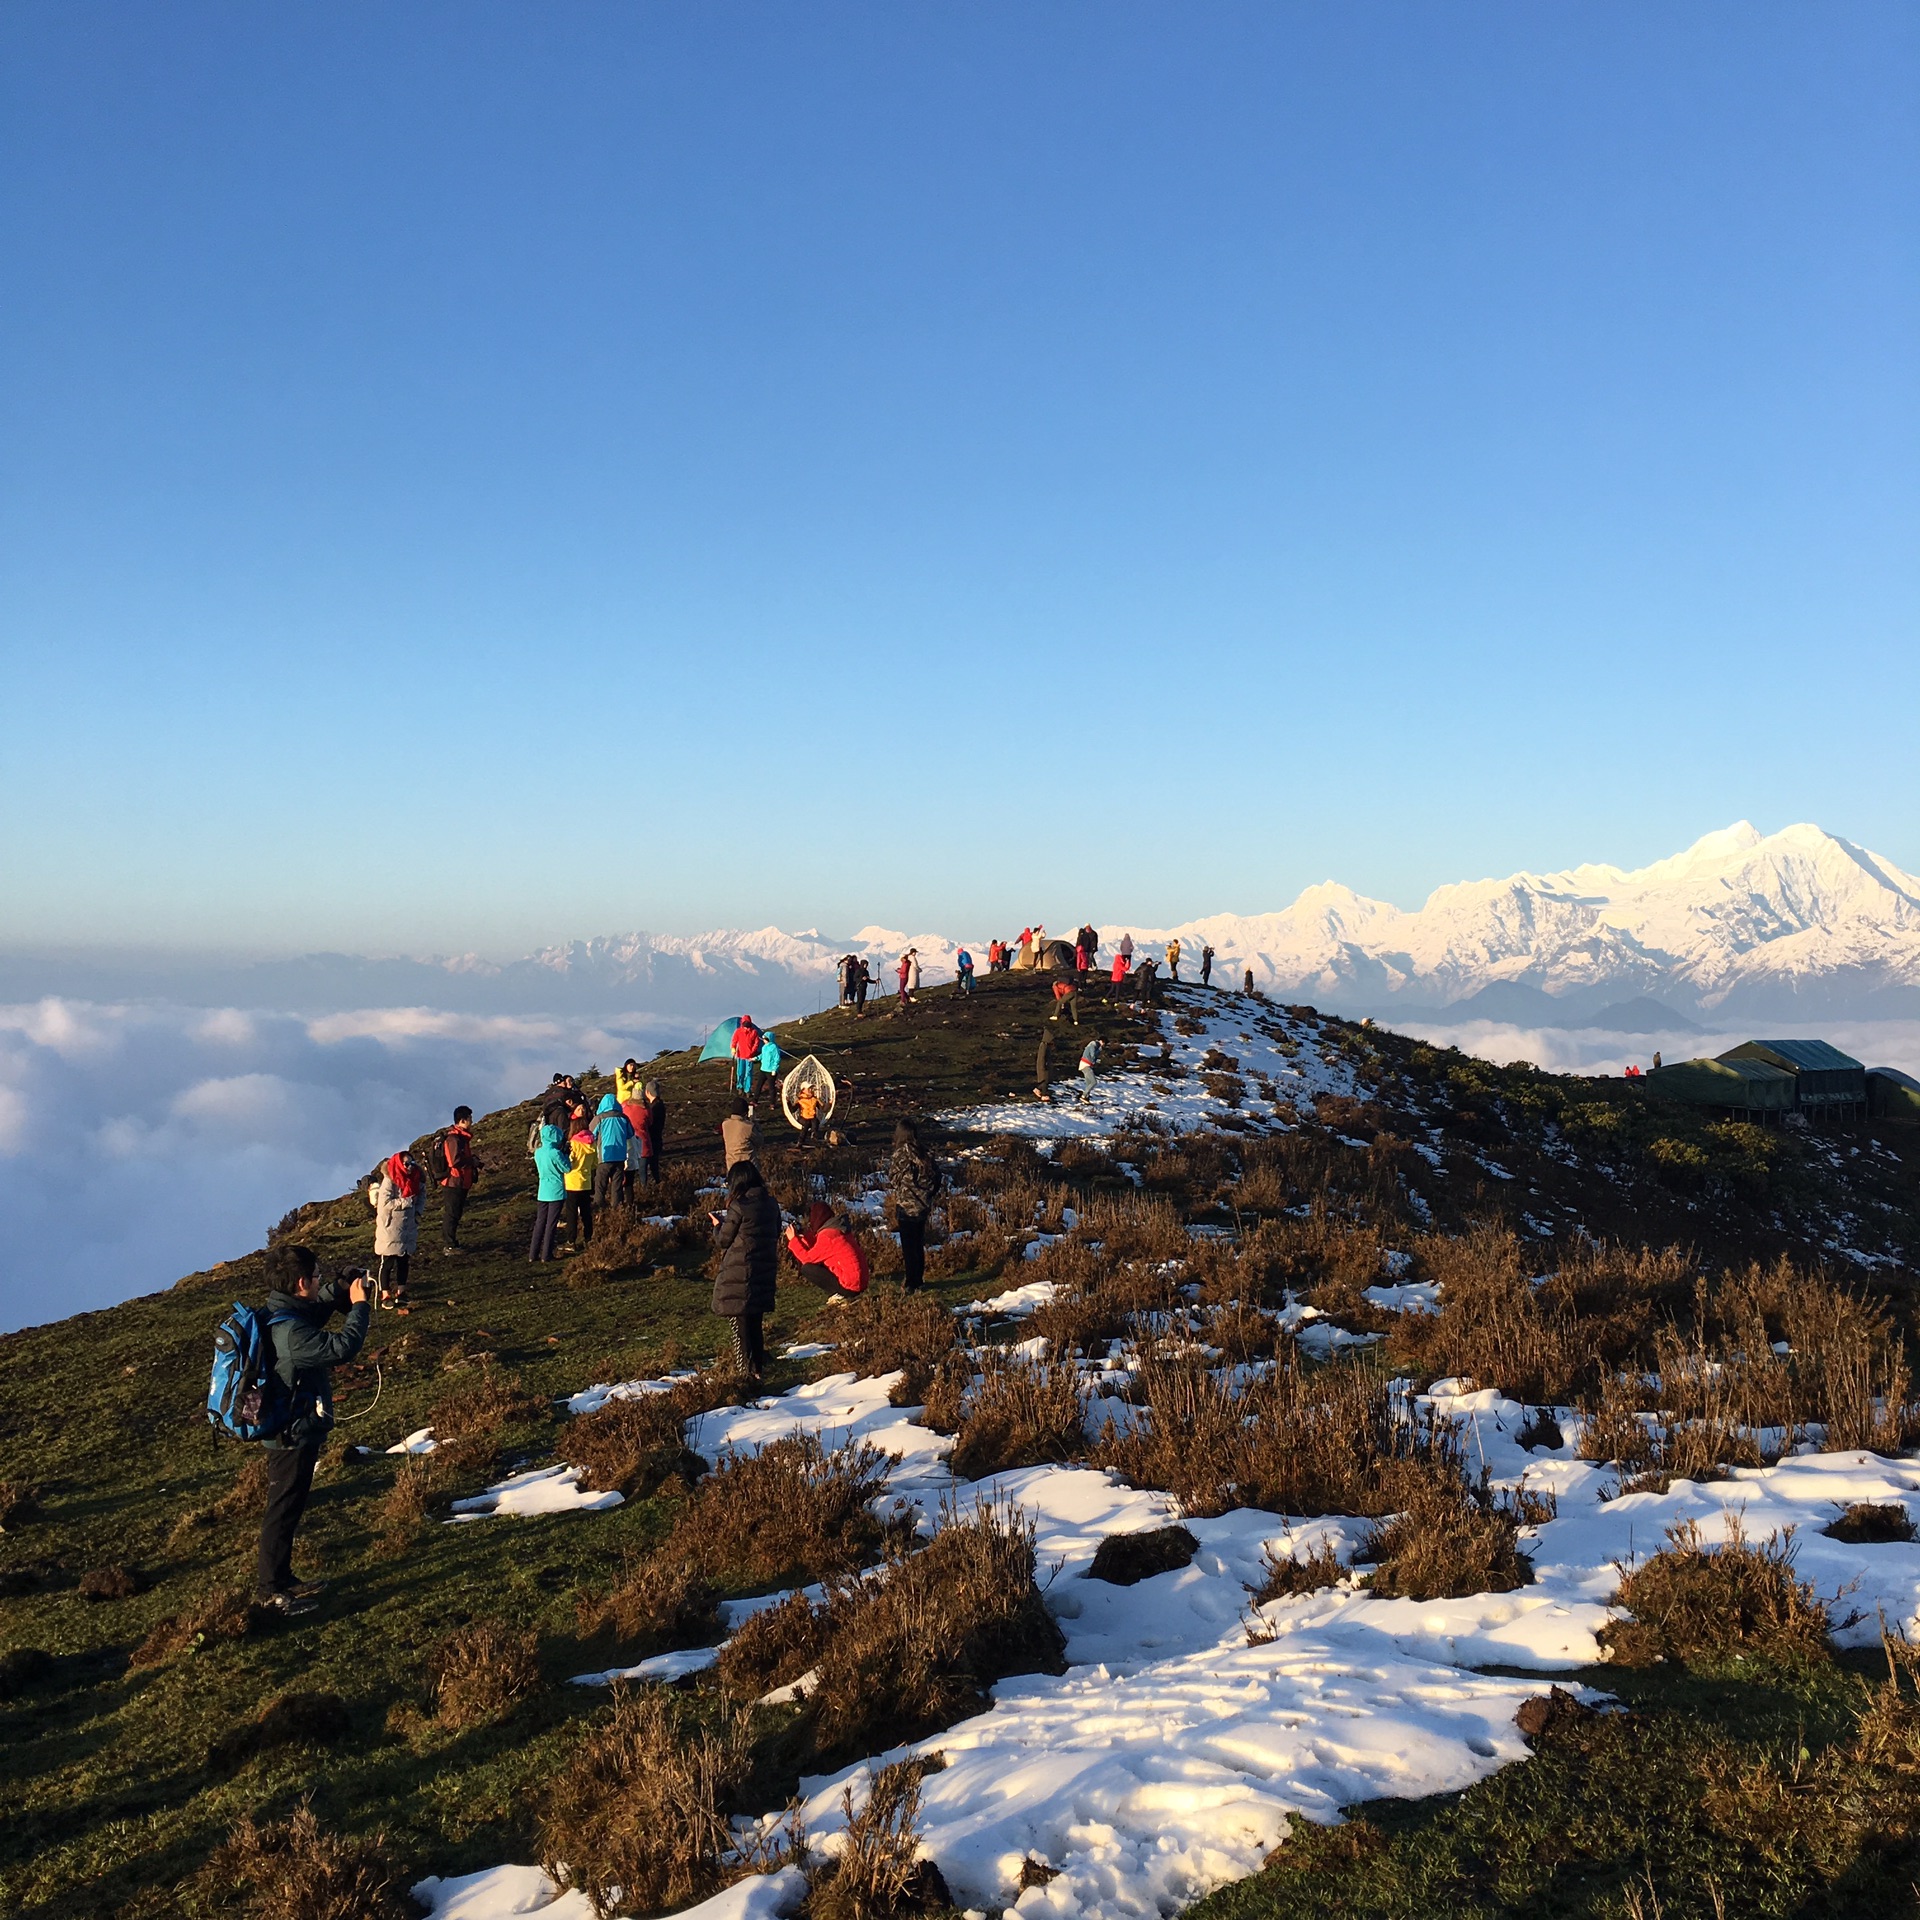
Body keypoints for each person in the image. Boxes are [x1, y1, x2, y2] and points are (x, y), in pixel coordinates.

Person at [255, 1243, 371, 1615]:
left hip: (294, 1428)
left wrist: (338, 1289)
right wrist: (360, 1308)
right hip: (291, 1434)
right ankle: (269, 1589)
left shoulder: (282, 1309)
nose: (319, 1280)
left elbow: (313, 1309)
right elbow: (341, 1348)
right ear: (301, 1282)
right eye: (317, 1276)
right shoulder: (292, 1333)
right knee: (282, 1508)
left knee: (290, 1505)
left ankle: (283, 1578)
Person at [709, 1159, 778, 1382]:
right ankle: (757, 1370)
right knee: (755, 1325)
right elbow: (775, 1231)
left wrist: (718, 1226)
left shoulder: (739, 1206)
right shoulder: (771, 1203)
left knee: (740, 1329)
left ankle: (746, 1375)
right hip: (763, 1269)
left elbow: (724, 1240)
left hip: (740, 1272)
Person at [888, 1118, 941, 1291]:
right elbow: (937, 1177)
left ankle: (911, 1282)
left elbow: (894, 1179)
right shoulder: (924, 1152)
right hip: (923, 1204)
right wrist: (928, 1194)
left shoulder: (900, 1154)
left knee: (908, 1246)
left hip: (907, 1206)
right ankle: (918, 1279)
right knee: (918, 1243)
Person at [784, 1200, 870, 1300]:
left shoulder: (828, 1236)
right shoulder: (837, 1230)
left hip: (851, 1287)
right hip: (859, 1283)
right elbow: (819, 1248)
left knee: (807, 1268)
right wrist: (804, 1236)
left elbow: (807, 1258)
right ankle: (843, 1295)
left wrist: (793, 1240)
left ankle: (840, 1296)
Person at [368, 1150, 422, 1307]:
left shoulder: (416, 1178)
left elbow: (422, 1195)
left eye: (412, 1163)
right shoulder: (389, 1181)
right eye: (406, 1164)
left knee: (404, 1260)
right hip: (390, 1227)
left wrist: (417, 1211)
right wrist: (406, 1202)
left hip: (407, 1227)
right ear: (399, 1164)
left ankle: (401, 1292)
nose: (410, 1167)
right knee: (388, 1262)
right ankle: (385, 1295)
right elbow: (384, 1205)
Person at [437, 1109, 480, 1254]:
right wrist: (471, 1161)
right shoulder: (454, 1139)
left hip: (458, 1181)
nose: (472, 1122)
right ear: (462, 1120)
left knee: (455, 1212)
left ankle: (451, 1242)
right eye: (469, 1119)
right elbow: (455, 1161)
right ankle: (449, 1245)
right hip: (454, 1182)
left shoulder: (460, 1138)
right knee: (452, 1213)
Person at [528, 1123, 568, 1262]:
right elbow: (567, 1168)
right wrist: (566, 1155)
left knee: (540, 1222)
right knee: (551, 1224)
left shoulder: (538, 1152)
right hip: (556, 1191)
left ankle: (533, 1254)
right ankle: (547, 1254)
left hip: (543, 1191)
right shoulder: (555, 1153)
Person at [561, 1118, 598, 1249]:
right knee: (586, 1212)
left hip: (572, 1182)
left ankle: (571, 1241)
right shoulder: (592, 1143)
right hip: (586, 1182)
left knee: (572, 1214)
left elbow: (569, 1162)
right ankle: (588, 1238)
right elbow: (595, 1163)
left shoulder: (573, 1143)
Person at [593, 1092, 634, 1211]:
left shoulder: (599, 1118)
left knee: (600, 1184)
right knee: (617, 1186)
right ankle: (617, 1210)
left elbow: (591, 1135)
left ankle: (599, 1208)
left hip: (605, 1157)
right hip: (620, 1157)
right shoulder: (624, 1118)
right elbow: (631, 1133)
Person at [635, 1080, 665, 1187]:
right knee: (654, 1166)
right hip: (658, 1139)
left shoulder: (652, 1108)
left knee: (646, 1167)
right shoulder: (660, 1105)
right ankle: (658, 1185)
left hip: (651, 1140)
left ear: (647, 1092)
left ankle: (647, 1188)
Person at [721, 1094, 760, 1170]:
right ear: (745, 1113)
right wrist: (755, 1123)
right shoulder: (749, 1126)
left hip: (732, 1166)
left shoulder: (725, 1124)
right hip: (749, 1166)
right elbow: (759, 1141)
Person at [730, 1017, 761, 1097]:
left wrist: (752, 1052)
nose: (746, 1027)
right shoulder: (738, 1031)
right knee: (740, 1073)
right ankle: (740, 1087)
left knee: (748, 1074)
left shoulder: (754, 1032)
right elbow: (734, 1041)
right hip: (740, 1056)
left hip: (749, 1057)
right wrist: (733, 1048)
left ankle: (747, 1090)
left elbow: (756, 1043)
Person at [794, 1077, 824, 1144]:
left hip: (812, 1118)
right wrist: (788, 1102)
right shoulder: (800, 1100)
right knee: (806, 1124)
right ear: (803, 1090)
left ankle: (814, 1137)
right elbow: (793, 1109)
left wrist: (830, 1103)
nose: (811, 1090)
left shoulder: (814, 1099)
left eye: (811, 1088)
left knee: (815, 1122)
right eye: (809, 1088)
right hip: (803, 1118)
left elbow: (822, 1109)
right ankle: (800, 1141)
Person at [1033, 1029, 1052, 1102]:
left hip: (1045, 1066)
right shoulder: (1044, 1046)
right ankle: (1044, 1094)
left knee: (1044, 1080)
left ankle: (1039, 1090)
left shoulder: (1046, 1046)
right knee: (1044, 1080)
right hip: (1043, 1067)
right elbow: (1041, 1058)